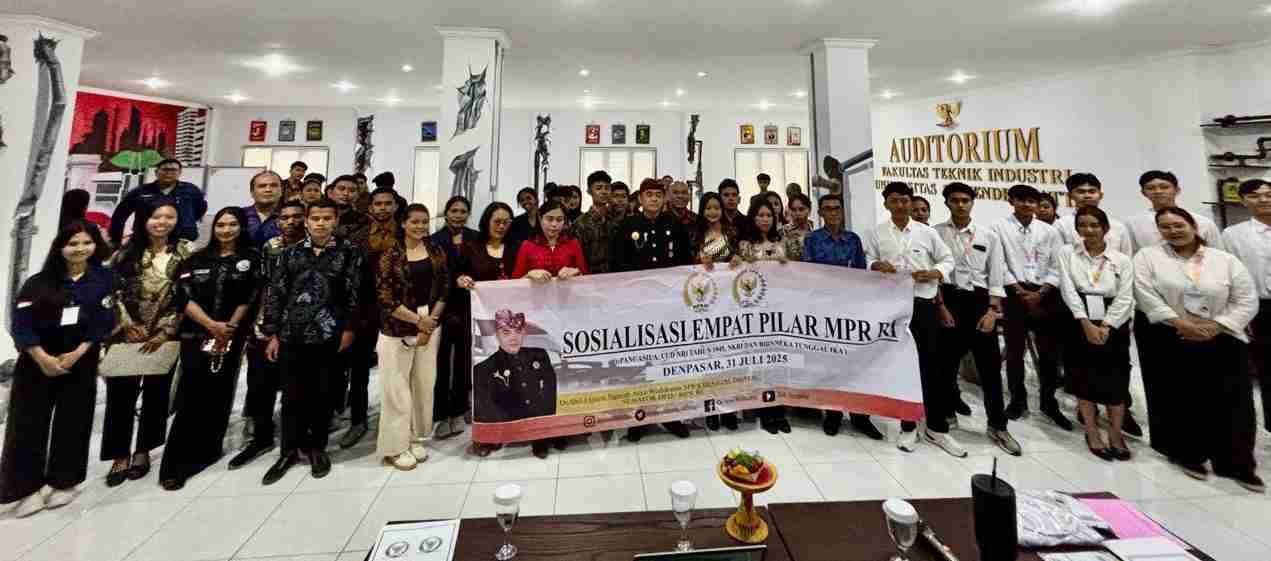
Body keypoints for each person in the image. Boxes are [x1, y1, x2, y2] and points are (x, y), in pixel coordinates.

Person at [1134, 207, 1262, 492]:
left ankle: (1238, 463)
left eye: (1178, 225)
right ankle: (1189, 454)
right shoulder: (1147, 257)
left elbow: (1246, 299)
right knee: (1183, 398)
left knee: (1235, 403)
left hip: (1223, 337)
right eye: (1165, 227)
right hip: (1173, 335)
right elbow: (1145, 294)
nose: (1173, 231)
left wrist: (1218, 325)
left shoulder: (1224, 260)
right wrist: (1180, 323)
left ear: (1193, 226)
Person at [1, 221, 114, 517]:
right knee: (27, 424)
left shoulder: (103, 279)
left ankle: (64, 482)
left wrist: (77, 353)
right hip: (36, 361)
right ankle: (23, 489)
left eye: (87, 243)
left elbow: (104, 320)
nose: (80, 249)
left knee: (74, 420)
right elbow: (21, 324)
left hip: (80, 360)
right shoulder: (38, 283)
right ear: (60, 247)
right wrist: (42, 358)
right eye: (73, 244)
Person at [260, 197, 363, 485]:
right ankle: (289, 450)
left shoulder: (350, 253)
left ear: (336, 221)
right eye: (315, 218)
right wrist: (272, 333)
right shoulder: (289, 254)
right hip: (291, 334)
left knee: (323, 393)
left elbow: (355, 294)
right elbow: (276, 293)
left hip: (330, 334)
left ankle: (317, 447)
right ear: (306, 221)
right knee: (291, 394)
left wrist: (349, 329)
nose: (321, 223)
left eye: (327, 218)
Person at [159, 207, 258, 490]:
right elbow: (184, 297)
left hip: (231, 336)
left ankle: (208, 451)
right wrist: (210, 324)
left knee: (220, 393)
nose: (226, 230)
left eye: (233, 224)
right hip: (196, 335)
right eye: (221, 225)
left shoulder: (251, 259)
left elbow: (250, 296)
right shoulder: (196, 259)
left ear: (241, 227)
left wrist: (230, 327)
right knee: (191, 395)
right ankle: (175, 465)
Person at [864, 182, 960, 456]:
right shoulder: (876, 233)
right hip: (893, 306)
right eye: (894, 200)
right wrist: (875, 265)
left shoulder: (926, 232)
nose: (900, 205)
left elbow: (947, 259)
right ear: (886, 204)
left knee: (932, 365)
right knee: (903, 367)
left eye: (904, 200)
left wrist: (935, 273)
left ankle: (936, 428)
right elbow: (867, 259)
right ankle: (908, 427)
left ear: (910, 202)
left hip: (923, 303)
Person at [102, 199, 193, 487]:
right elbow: (110, 292)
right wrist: (127, 325)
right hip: (127, 332)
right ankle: (119, 454)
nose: (162, 222)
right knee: (120, 395)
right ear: (144, 219)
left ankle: (143, 450)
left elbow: (189, 294)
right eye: (156, 216)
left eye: (169, 217)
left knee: (157, 394)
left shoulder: (186, 251)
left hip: (164, 333)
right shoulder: (125, 252)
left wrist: (166, 330)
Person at [934, 183, 1019, 456]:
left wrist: (993, 311)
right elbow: (935, 275)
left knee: (990, 369)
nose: (960, 205)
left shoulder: (988, 236)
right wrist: (941, 307)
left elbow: (996, 276)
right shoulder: (936, 233)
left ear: (972, 202)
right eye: (955, 200)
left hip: (980, 303)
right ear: (947, 203)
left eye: (965, 200)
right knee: (945, 366)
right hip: (949, 300)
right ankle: (946, 414)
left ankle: (998, 426)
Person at [1053, 173, 1141, 436]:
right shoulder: (1062, 228)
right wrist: (1084, 321)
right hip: (1079, 308)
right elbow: (1066, 283)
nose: (1087, 195)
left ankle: (1120, 417)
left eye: (1092, 190)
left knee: (1116, 367)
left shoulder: (1120, 229)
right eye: (1081, 191)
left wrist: (1110, 322)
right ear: (1071, 196)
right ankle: (1089, 419)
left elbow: (1125, 277)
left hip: (1112, 309)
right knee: (1081, 368)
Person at [610, 178, 693, 442]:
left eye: (658, 194)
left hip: (668, 304)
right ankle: (640, 416)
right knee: (640, 361)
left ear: (664, 198)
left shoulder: (675, 225)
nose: (654, 199)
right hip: (639, 304)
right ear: (640, 199)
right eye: (649, 194)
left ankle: (671, 416)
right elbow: (618, 264)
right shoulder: (628, 225)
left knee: (668, 360)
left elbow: (685, 262)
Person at [229, 200, 306, 470]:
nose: (291, 222)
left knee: (295, 388)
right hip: (266, 324)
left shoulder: (314, 249)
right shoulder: (270, 247)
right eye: (285, 217)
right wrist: (259, 322)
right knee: (260, 385)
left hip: (300, 328)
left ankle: (293, 443)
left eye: (297, 216)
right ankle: (261, 438)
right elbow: (262, 286)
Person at [801, 194, 883, 440]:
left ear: (842, 211)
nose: (833, 212)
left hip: (851, 309)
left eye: (837, 208)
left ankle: (860, 416)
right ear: (821, 213)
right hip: (825, 309)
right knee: (830, 363)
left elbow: (861, 273)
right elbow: (808, 273)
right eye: (828, 209)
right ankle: (833, 414)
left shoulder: (853, 239)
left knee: (856, 363)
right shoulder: (812, 240)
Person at [375, 203, 449, 471]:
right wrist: (418, 322)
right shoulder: (389, 254)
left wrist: (430, 322)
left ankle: (415, 436)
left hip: (430, 323)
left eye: (424, 221)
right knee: (396, 389)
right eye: (415, 221)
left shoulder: (435, 250)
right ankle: (395, 446)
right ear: (403, 223)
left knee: (423, 384)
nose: (420, 226)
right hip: (397, 326)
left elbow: (444, 288)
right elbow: (385, 299)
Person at [991, 184, 1071, 430]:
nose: (1027, 204)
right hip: (1014, 295)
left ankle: (1048, 402)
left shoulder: (1049, 231)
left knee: (1049, 354)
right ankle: (1018, 400)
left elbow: (1058, 265)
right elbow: (999, 263)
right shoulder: (998, 228)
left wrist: (1041, 292)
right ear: (1011, 201)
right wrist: (1019, 290)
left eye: (1032, 201)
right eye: (1021, 199)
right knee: (1015, 352)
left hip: (1045, 296)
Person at [510, 199, 586, 457]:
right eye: (549, 219)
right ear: (540, 220)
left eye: (559, 220)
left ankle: (560, 429)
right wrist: (528, 275)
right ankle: (539, 434)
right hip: (536, 321)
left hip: (567, 318)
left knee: (562, 374)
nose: (554, 225)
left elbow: (587, 277)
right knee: (536, 377)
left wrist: (574, 272)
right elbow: (513, 282)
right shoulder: (527, 246)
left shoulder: (573, 244)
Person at [458, 202, 519, 457]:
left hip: (510, 325)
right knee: (485, 376)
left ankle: (510, 427)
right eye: (497, 221)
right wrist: (462, 279)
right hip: (480, 323)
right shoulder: (471, 247)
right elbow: (458, 274)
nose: (501, 226)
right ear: (486, 222)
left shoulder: (516, 248)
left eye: (506, 222)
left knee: (509, 376)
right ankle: (486, 434)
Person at [738, 200, 795, 434]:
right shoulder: (745, 245)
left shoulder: (782, 242)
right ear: (753, 218)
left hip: (777, 308)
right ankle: (764, 410)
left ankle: (779, 410)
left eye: (769, 215)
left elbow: (791, 273)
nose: (765, 219)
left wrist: (786, 263)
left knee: (778, 361)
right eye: (760, 215)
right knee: (759, 362)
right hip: (754, 309)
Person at [328, 175, 375, 448]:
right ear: (331, 191)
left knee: (359, 369)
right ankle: (329, 413)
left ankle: (358, 420)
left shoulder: (366, 223)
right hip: (326, 307)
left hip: (362, 305)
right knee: (330, 367)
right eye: (341, 189)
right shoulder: (321, 218)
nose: (346, 193)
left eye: (352, 190)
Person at [1223, 179, 1271, 433]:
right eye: (1254, 195)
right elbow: (1230, 276)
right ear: (1242, 201)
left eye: (1268, 194)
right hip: (1260, 308)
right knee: (1267, 367)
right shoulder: (1233, 234)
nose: (1263, 199)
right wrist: (1241, 314)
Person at [431, 196, 480, 439]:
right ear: (446, 212)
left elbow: (482, 267)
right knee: (442, 361)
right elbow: (434, 273)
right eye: (454, 210)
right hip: (443, 305)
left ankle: (461, 408)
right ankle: (441, 414)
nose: (458, 215)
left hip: (472, 305)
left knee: (465, 359)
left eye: (463, 211)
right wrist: (454, 280)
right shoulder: (434, 240)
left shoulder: (476, 237)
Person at [696, 192, 743, 432]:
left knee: (729, 356)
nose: (713, 212)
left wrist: (736, 258)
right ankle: (711, 408)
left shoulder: (732, 232)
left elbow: (742, 256)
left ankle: (730, 408)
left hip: (729, 302)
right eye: (708, 208)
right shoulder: (695, 234)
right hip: (704, 302)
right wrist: (698, 259)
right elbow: (686, 265)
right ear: (702, 210)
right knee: (709, 357)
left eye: (716, 207)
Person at [109, 158, 208, 245]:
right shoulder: (140, 191)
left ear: (179, 173)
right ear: (156, 172)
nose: (169, 173)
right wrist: (115, 240)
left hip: (182, 241)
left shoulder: (191, 190)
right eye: (165, 169)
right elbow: (120, 215)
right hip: (145, 242)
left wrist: (186, 222)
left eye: (173, 170)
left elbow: (200, 209)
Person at [1127, 170, 1225, 253]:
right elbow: (1131, 254)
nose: (1158, 191)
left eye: (1164, 187)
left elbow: (1218, 254)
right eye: (1151, 188)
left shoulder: (1203, 222)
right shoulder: (1133, 223)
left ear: (1177, 190)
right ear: (1143, 193)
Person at [572, 171, 616, 274]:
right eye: (598, 188)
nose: (604, 192)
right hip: (589, 277)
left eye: (607, 188)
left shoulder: (615, 220)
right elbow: (576, 257)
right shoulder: (580, 223)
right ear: (589, 191)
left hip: (615, 275)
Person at [242, 170, 283, 248]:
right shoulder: (240, 215)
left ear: (281, 191)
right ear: (252, 192)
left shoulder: (291, 217)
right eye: (262, 186)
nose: (268, 190)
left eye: (274, 185)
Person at [782, 193, 814, 261]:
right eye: (793, 210)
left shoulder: (816, 234)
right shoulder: (782, 232)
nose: (797, 213)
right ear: (790, 211)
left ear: (809, 210)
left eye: (801, 209)